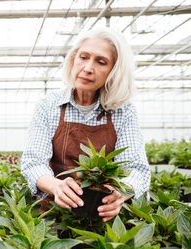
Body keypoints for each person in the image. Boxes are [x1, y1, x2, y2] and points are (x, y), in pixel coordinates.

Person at [21, 27, 150, 222]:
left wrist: (122, 192)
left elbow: (137, 168)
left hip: (103, 216)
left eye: (101, 62)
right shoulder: (49, 105)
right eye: (83, 57)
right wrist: (56, 186)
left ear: (113, 71)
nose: (88, 68)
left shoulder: (123, 111)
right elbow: (34, 162)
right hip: (54, 214)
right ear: (73, 60)